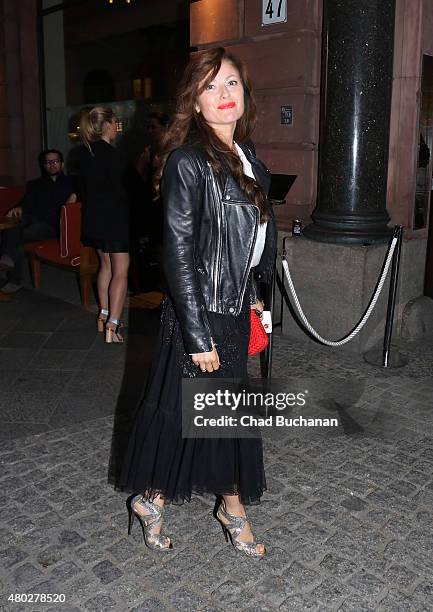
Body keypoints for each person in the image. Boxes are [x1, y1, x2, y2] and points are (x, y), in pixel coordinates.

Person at [118, 47, 277, 557]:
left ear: (245, 94)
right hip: (200, 315)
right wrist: (197, 334)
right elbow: (179, 255)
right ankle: (233, 510)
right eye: (210, 87)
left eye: (231, 83)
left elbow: (246, 248)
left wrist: (253, 299)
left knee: (208, 416)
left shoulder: (250, 159)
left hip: (231, 309)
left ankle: (154, 500)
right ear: (196, 101)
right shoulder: (190, 160)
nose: (224, 95)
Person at [76, 106, 130, 343]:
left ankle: (103, 316)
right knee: (121, 270)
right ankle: (113, 326)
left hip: (94, 218)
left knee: (105, 266)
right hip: (115, 218)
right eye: (115, 123)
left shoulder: (83, 153)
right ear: (107, 125)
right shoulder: (114, 154)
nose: (117, 128)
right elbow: (124, 190)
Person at [0, 149, 77, 292]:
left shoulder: (73, 183)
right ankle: (8, 258)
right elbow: (26, 202)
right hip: (34, 220)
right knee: (14, 224)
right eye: (48, 162)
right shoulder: (35, 184)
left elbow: (89, 191)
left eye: (55, 161)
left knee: (17, 236)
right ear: (43, 165)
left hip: (54, 226)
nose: (52, 165)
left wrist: (75, 194)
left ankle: (13, 273)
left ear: (62, 164)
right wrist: (19, 208)